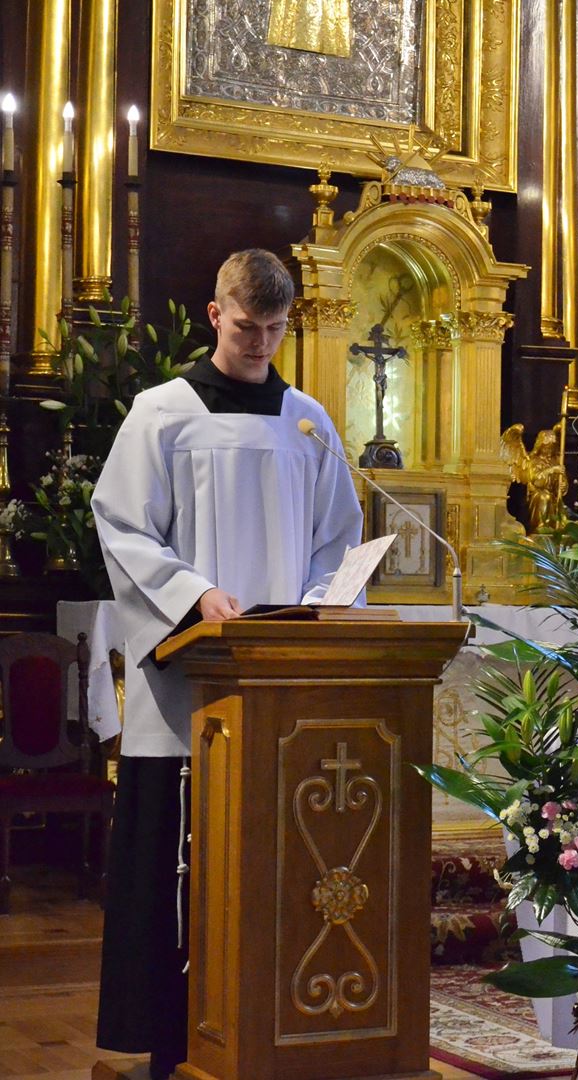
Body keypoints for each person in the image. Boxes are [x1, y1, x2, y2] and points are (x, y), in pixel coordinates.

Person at [92, 250, 364, 1078]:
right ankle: (177, 1040)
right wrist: (195, 595)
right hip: (188, 685)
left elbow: (338, 538)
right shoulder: (162, 414)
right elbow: (122, 524)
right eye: (248, 327)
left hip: (281, 686)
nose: (261, 344)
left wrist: (319, 605)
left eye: (277, 329)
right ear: (216, 315)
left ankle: (273, 1033)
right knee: (183, 871)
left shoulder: (309, 423)